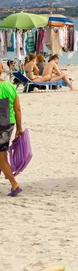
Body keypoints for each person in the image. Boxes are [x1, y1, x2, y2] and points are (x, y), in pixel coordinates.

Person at [0, 63, 24, 196]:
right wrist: (19, 128)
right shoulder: (10, 86)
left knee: (1, 156)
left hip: (1, 121)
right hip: (9, 122)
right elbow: (17, 109)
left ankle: (14, 184)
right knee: (1, 153)